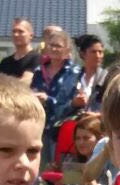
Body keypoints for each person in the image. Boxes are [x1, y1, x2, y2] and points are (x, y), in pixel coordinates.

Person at [30, 30, 80, 168]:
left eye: (58, 46)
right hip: (39, 128)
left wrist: (48, 100)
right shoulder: (39, 71)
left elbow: (73, 103)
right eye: (51, 45)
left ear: (67, 49)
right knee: (39, 169)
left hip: (61, 130)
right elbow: (31, 92)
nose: (54, 49)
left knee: (60, 170)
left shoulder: (75, 72)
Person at [0, 18, 41, 85]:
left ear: (31, 36)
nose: (16, 34)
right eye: (14, 31)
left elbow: (26, 81)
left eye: (21, 31)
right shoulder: (5, 62)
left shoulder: (37, 59)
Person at [73, 35, 107, 114]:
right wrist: (74, 103)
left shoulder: (107, 78)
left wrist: (97, 114)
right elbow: (61, 105)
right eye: (93, 52)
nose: (98, 56)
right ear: (83, 54)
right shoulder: (73, 78)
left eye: (100, 52)